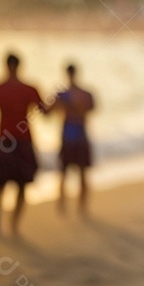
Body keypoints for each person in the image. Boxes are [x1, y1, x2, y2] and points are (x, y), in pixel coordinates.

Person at [0, 52, 48, 233]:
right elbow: (45, 111)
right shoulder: (29, 88)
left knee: (1, 182)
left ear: (6, 65)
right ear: (19, 66)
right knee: (22, 184)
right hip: (24, 141)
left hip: (5, 141)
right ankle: (14, 224)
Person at [49, 63, 96, 215]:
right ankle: (79, 206)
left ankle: (64, 204)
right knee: (78, 172)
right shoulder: (84, 94)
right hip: (78, 136)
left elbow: (49, 111)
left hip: (70, 136)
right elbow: (91, 108)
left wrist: (68, 105)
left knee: (65, 172)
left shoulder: (65, 94)